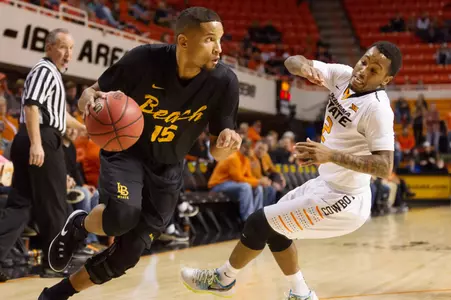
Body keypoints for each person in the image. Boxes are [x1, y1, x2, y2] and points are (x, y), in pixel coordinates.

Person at [39, 7, 242, 300]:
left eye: (221, 40)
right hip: (127, 153)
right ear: (184, 42)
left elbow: (216, 151)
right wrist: (88, 100)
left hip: (169, 168)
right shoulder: (143, 59)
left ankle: (55, 294)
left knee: (128, 255)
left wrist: (225, 147)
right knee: (121, 216)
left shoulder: (224, 82)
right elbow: (92, 93)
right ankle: (81, 225)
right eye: (210, 40)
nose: (219, 49)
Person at [181, 41, 402, 300]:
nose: (364, 70)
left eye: (374, 70)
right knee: (276, 230)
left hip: (345, 199)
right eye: (364, 61)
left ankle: (223, 278)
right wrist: (306, 67)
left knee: (259, 222)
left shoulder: (377, 110)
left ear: (386, 79)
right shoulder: (343, 75)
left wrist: (330, 155)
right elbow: (292, 61)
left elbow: (385, 167)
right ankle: (301, 293)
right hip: (324, 184)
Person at [0, 28, 85, 277]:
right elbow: (31, 106)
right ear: (49, 47)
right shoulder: (44, 70)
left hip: (37, 135)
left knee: (20, 205)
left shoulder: (52, 74)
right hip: (41, 138)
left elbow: (58, 114)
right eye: (62, 47)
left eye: (71, 48)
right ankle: (54, 263)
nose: (68, 53)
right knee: (55, 202)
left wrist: (84, 128)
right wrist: (37, 144)